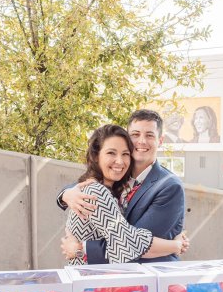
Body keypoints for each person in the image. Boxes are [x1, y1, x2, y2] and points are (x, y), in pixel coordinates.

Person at [58, 109, 186, 264]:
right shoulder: (108, 181)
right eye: (135, 134)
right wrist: (175, 245)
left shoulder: (169, 186)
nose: (142, 141)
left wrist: (81, 248)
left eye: (149, 135)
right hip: (97, 277)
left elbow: (127, 244)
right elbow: (127, 243)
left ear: (160, 140)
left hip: (148, 275)